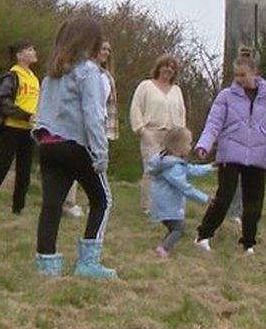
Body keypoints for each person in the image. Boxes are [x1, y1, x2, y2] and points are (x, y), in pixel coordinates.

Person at [32, 17, 116, 279]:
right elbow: (93, 115)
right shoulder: (89, 72)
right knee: (102, 200)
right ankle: (89, 263)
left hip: (48, 144)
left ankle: (47, 266)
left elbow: (40, 112)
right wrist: (101, 152)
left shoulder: (51, 75)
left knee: (52, 205)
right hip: (76, 145)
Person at [194, 56, 266, 255]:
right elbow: (213, 124)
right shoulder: (226, 96)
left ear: (254, 73)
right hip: (230, 155)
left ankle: (248, 243)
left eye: (243, 75)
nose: (239, 79)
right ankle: (203, 235)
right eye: (236, 75)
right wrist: (204, 145)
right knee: (224, 198)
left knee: (254, 203)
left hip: (258, 156)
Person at [0, 40, 39, 214]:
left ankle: (18, 208)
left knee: (24, 171)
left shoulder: (34, 79)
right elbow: (5, 103)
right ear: (19, 55)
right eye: (30, 49)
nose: (34, 52)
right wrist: (26, 115)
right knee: (2, 167)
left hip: (29, 130)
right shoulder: (12, 76)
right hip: (12, 128)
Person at [61, 40, 118, 218]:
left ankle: (95, 203)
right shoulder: (83, 72)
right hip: (81, 124)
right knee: (75, 163)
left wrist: (106, 131)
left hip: (99, 125)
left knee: (98, 164)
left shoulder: (107, 76)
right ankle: (68, 202)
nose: (106, 52)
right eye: (103, 49)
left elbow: (108, 106)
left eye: (109, 49)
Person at [146, 127, 215, 258]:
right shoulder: (172, 168)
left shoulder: (171, 162)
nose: (191, 146)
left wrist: (210, 167)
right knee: (179, 229)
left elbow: (191, 170)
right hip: (167, 205)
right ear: (178, 147)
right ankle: (163, 249)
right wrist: (205, 199)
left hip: (163, 204)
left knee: (175, 228)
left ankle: (163, 246)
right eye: (189, 143)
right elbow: (186, 188)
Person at [129, 55, 186, 213]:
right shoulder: (146, 86)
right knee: (152, 170)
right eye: (166, 66)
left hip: (173, 136)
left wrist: (182, 136)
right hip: (152, 133)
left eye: (172, 67)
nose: (169, 69)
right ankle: (149, 206)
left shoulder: (177, 90)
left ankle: (172, 206)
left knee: (174, 172)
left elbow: (182, 114)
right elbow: (136, 108)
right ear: (159, 67)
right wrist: (141, 130)